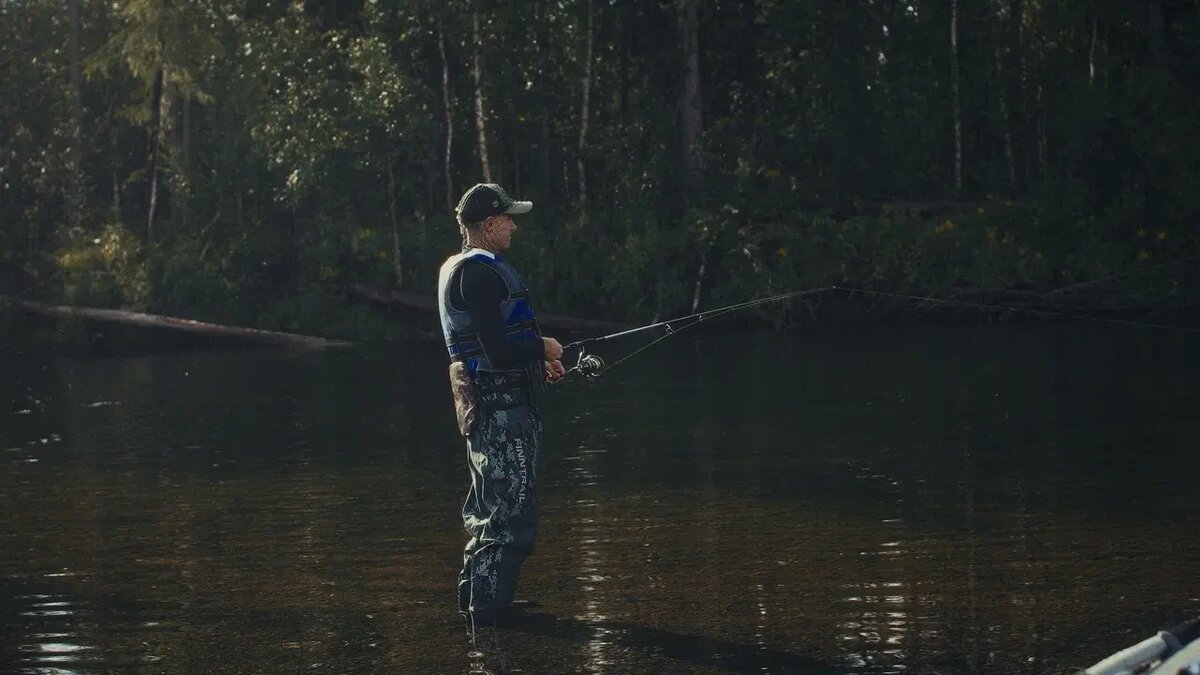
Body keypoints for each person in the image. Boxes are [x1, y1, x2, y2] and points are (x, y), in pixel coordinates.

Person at [437, 183, 566, 625]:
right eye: (508, 218)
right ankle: (490, 617)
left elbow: (493, 344)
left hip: (486, 408)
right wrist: (542, 347)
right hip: (500, 412)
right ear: (489, 224)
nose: (513, 225)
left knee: (487, 510)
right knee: (509, 515)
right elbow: (496, 351)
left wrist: (538, 358)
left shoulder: (462, 269)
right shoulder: (478, 273)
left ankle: (478, 606)